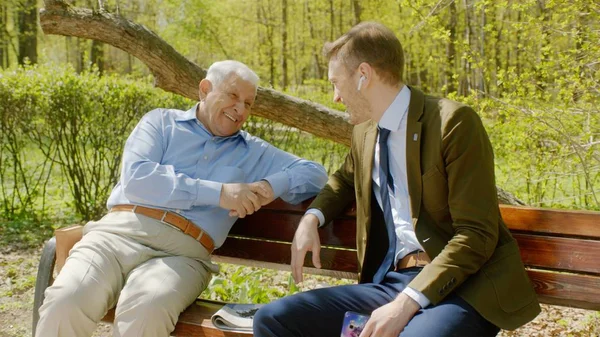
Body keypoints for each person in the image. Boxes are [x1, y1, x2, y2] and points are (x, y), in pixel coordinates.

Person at [253, 22, 540, 337]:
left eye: (336, 83)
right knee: (273, 318)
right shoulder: (364, 133)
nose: (335, 97)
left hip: (463, 288)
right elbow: (344, 181)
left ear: (364, 75)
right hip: (392, 282)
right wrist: (312, 217)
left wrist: (407, 303)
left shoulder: (452, 123)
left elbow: (476, 235)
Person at [36, 60, 328, 337]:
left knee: (147, 308)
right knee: (67, 299)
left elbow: (314, 173)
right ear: (204, 89)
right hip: (115, 236)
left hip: (182, 255)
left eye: (248, 103)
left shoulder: (253, 151)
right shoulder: (161, 123)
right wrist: (220, 193)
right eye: (232, 96)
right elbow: (138, 180)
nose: (240, 109)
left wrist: (269, 185)